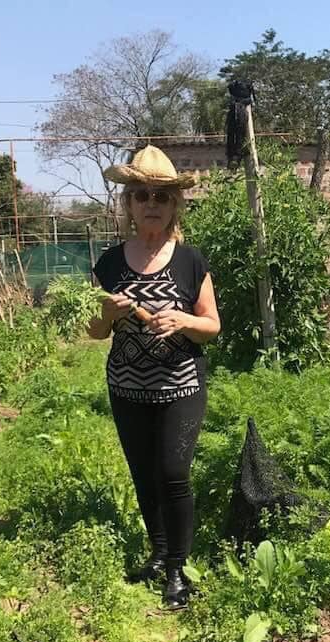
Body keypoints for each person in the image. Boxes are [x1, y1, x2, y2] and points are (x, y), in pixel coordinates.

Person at [89, 145, 221, 610]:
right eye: (141, 195)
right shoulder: (108, 265)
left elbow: (212, 326)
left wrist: (182, 321)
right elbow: (94, 332)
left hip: (180, 387)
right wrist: (106, 311)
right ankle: (159, 555)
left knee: (173, 474)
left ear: (174, 206)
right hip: (127, 388)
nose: (151, 204)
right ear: (128, 204)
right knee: (144, 475)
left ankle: (178, 572)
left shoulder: (190, 261)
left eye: (161, 197)